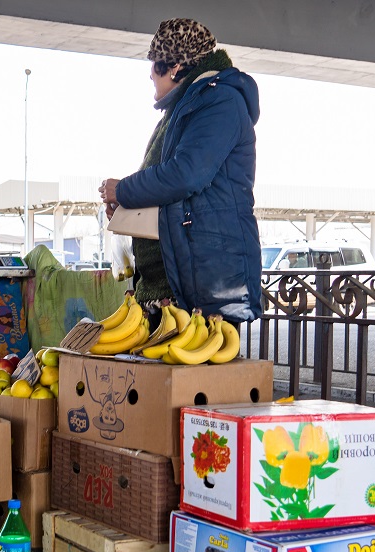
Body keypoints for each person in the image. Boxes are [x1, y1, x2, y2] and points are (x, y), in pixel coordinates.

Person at [98, 18, 262, 324]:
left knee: (199, 371)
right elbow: (172, 189)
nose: (151, 83)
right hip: (176, 273)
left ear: (173, 67)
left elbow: (187, 174)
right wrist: (126, 209)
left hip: (205, 278)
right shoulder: (186, 108)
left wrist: (124, 190)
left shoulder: (219, 101)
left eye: (152, 75)